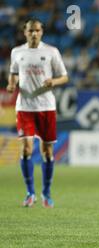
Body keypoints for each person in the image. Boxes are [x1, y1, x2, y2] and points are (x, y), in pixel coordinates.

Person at [6, 19, 69, 208]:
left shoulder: (51, 52)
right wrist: (11, 83)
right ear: (25, 32)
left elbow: (64, 76)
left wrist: (54, 82)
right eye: (30, 30)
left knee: (47, 152)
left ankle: (46, 192)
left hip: (46, 106)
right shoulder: (17, 52)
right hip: (24, 107)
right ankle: (29, 192)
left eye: (37, 30)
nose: (34, 33)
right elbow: (13, 72)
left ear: (42, 32)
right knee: (25, 148)